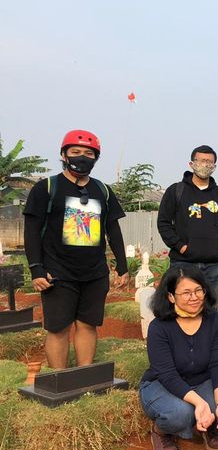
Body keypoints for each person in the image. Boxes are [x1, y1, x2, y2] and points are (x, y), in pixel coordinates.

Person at [23, 129, 129, 369]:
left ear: (95, 158)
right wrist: (36, 269)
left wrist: (123, 266)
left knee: (87, 324)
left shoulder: (102, 190)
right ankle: (58, 378)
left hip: (94, 272)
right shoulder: (46, 188)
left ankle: (84, 375)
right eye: (76, 152)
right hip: (57, 271)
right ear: (64, 154)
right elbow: (31, 231)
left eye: (88, 153)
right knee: (59, 327)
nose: (82, 157)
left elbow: (113, 229)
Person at [139, 265, 218, 450]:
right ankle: (161, 431)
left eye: (198, 290)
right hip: (163, 384)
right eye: (186, 293)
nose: (194, 297)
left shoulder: (216, 320)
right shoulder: (159, 328)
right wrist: (200, 403)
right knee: (180, 414)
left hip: (202, 381)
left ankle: (210, 428)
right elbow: (167, 374)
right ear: (170, 297)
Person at [157, 145, 218, 301]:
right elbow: (164, 223)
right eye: (201, 161)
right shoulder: (176, 191)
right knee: (183, 305)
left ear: (214, 166)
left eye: (209, 162)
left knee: (211, 307)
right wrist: (181, 247)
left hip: (215, 264)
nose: (205, 165)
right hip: (183, 263)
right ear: (191, 164)